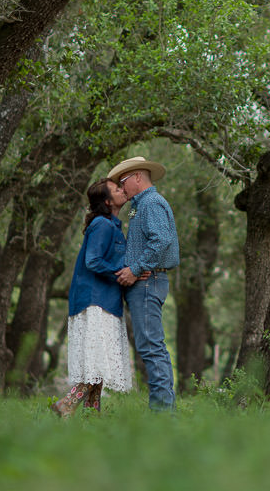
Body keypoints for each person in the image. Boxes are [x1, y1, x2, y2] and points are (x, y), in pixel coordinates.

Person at [51, 179, 135, 417]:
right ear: (108, 201)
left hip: (106, 300)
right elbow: (93, 261)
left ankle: (90, 418)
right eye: (117, 189)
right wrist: (121, 275)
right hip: (95, 300)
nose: (122, 189)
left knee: (98, 362)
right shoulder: (102, 225)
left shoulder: (113, 226)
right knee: (98, 364)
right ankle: (66, 404)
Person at [108, 156, 180, 411]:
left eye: (123, 182)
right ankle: (161, 409)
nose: (122, 188)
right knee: (149, 346)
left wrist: (137, 269)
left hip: (149, 283)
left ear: (137, 177)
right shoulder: (141, 205)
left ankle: (162, 414)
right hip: (147, 282)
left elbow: (161, 240)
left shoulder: (150, 203)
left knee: (151, 347)